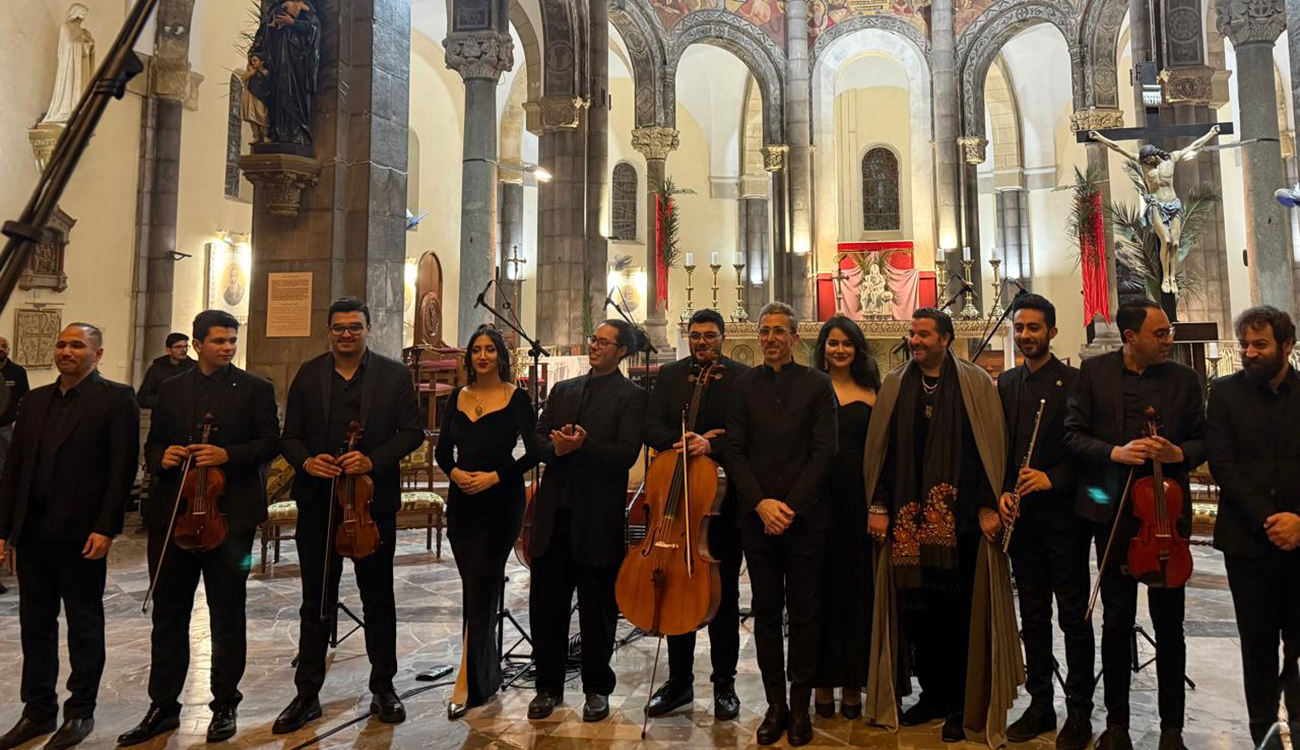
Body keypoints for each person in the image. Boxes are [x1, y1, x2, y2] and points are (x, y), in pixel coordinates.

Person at [116, 311, 280, 746]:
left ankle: (224, 703)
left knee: (228, 615)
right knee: (169, 616)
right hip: (176, 514)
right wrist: (162, 456)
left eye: (232, 341)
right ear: (197, 343)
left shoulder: (256, 389)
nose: (228, 348)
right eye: (219, 341)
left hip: (231, 520)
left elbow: (269, 444)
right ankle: (163, 706)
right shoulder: (171, 389)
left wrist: (227, 455)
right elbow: (153, 443)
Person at [862, 308, 1012, 745]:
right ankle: (931, 694)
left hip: (960, 520)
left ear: (946, 338)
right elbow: (884, 453)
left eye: (924, 334)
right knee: (919, 615)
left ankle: (960, 703)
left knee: (959, 617)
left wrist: (987, 505)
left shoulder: (974, 383)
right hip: (909, 521)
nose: (915, 340)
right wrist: (879, 503)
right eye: (912, 334)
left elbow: (989, 449)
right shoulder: (896, 384)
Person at [274, 297, 423, 734]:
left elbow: (412, 432)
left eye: (354, 327)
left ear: (368, 329)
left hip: (370, 505)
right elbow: (290, 436)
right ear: (328, 331)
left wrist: (372, 460)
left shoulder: (393, 375)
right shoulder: (308, 374)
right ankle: (307, 694)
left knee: (378, 599)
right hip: (319, 502)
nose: (346, 334)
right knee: (316, 600)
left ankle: (384, 687)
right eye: (338, 328)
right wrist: (307, 462)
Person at [1064, 299, 1205, 750]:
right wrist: (1115, 453)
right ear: (1131, 338)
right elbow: (1072, 433)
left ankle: (1171, 730)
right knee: (1117, 620)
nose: (1169, 340)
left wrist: (1177, 453)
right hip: (1114, 515)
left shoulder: (1185, 379)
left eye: (1168, 332)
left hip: (1166, 519)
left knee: (1170, 625)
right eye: (1160, 333)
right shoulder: (1095, 373)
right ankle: (1117, 725)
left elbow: (1205, 439)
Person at [0, 324, 139, 750]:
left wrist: (106, 527)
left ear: (97, 354)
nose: (66, 351)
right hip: (34, 533)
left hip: (82, 533)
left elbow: (122, 470)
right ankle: (38, 710)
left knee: (83, 624)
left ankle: (80, 711)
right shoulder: (35, 399)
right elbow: (15, 471)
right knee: (34, 625)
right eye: (61, 344)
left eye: (77, 345)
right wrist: (5, 532)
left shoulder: (115, 399)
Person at [726, 301, 837, 747]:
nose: (771, 338)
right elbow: (734, 451)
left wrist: (787, 506)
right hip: (758, 522)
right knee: (767, 615)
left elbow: (824, 450)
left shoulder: (817, 384)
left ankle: (801, 705)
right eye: (765, 330)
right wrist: (761, 505)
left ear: (795, 338)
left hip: (805, 520)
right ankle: (776, 706)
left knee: (806, 615)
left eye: (779, 331)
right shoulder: (742, 386)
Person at [526, 320, 647, 723]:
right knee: (547, 607)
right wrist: (557, 449)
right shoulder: (564, 390)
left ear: (622, 351)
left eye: (603, 342)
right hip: (554, 514)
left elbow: (626, 454)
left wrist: (584, 445)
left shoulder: (631, 397)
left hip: (597, 516)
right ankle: (548, 687)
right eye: (593, 339)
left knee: (598, 610)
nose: (594, 346)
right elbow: (538, 438)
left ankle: (597, 688)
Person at [994, 294, 1093, 749]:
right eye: (1019, 327)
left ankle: (1079, 711)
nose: (1025, 335)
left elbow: (1089, 452)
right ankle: (1039, 704)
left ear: (1052, 332)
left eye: (1034, 328)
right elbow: (1000, 450)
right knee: (1032, 616)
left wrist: (1051, 478)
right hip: (1022, 520)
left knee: (1072, 616)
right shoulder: (1007, 382)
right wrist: (1001, 491)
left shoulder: (1075, 381)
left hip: (1064, 518)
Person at [642, 309, 749, 721]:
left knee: (723, 597)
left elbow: (746, 433)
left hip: (720, 504)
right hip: (676, 503)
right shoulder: (671, 377)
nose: (702, 343)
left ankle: (725, 684)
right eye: (695, 336)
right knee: (676, 592)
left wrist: (711, 447)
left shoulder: (740, 377)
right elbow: (650, 426)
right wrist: (679, 441)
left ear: (723, 337)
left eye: (710, 336)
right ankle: (679, 683)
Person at [436, 326, 542, 719]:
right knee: (473, 586)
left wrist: (497, 475)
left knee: (482, 584)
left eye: (490, 350)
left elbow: (534, 453)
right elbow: (443, 451)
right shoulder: (457, 398)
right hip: (463, 504)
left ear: (501, 356)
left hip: (501, 504)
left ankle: (468, 680)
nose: (483, 356)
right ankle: (485, 672)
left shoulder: (517, 399)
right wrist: (454, 474)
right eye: (477, 350)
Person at [1206, 306, 1300, 745]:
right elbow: (1224, 465)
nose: (1248, 352)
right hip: (1249, 544)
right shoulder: (1224, 394)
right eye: (1245, 344)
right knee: (1257, 650)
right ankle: (1262, 735)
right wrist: (1269, 519)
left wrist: (1299, 522)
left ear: (1287, 346)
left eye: (1259, 344)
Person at [811, 316, 878, 720]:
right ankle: (820, 682)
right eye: (832, 343)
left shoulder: (873, 392)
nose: (839, 350)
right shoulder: (808, 387)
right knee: (818, 593)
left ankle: (853, 683)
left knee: (856, 592)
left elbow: (883, 452)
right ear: (822, 348)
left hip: (858, 500)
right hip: (817, 501)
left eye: (846, 344)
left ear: (857, 349)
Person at [137, 333, 196, 410]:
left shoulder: (194, 367)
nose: (184, 350)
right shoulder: (156, 369)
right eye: (179, 347)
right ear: (169, 350)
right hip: (163, 417)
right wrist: (166, 401)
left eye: (186, 347)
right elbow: (142, 399)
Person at [0, 336, 30, 472]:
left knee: (7, 460)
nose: (0, 349)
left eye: (3, 346)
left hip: (6, 426)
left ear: (8, 350)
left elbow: (25, 397)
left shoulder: (17, 372)